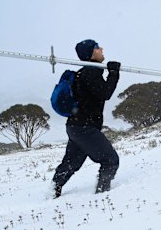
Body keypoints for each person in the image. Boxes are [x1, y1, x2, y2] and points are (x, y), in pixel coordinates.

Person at [51, 39, 121, 199]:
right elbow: (105, 93)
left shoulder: (85, 73)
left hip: (75, 127)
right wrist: (114, 73)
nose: (101, 48)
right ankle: (102, 194)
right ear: (91, 53)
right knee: (110, 160)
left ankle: (53, 189)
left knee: (72, 163)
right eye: (97, 47)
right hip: (84, 128)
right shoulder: (90, 72)